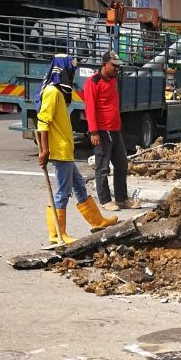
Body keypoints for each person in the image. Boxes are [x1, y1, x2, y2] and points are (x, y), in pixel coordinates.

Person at [36, 55, 117, 247]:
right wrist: (44, 151)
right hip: (59, 150)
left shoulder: (59, 92)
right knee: (63, 191)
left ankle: (97, 222)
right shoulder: (51, 93)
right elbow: (42, 122)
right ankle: (57, 233)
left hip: (66, 149)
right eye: (70, 70)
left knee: (79, 185)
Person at [83, 50, 138, 210]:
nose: (116, 69)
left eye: (118, 67)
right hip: (101, 130)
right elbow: (90, 108)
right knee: (102, 167)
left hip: (115, 129)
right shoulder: (93, 82)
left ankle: (121, 199)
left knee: (121, 164)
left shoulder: (114, 80)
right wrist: (93, 131)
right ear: (105, 64)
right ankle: (105, 200)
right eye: (114, 66)